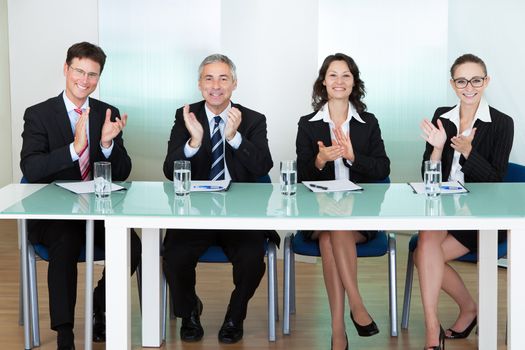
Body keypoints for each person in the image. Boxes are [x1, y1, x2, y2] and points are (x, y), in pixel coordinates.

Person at [20, 42, 142, 350]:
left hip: (97, 211)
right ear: (66, 69)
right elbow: (32, 169)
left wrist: (107, 145)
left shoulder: (106, 112)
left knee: (133, 244)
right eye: (79, 71)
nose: (84, 80)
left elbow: (123, 171)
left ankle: (99, 304)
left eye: (93, 74)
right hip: (54, 214)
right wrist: (75, 149)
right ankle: (65, 333)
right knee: (66, 242)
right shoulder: (38, 114)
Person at [162, 53, 278, 344]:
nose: (216, 85)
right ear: (200, 84)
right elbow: (168, 170)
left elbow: (263, 166)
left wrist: (234, 137)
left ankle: (234, 316)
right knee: (174, 256)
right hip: (194, 213)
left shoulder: (252, 119)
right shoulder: (185, 116)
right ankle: (189, 313)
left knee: (253, 259)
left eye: (223, 78)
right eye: (209, 78)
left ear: (234, 84)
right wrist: (194, 142)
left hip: (239, 215)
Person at [415, 53, 514, 350]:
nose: (469, 87)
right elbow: (427, 175)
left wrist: (469, 152)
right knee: (427, 239)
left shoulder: (501, 123)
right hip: (443, 209)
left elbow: (496, 181)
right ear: (452, 83)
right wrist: (437, 150)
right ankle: (435, 326)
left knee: (425, 253)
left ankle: (464, 312)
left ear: (486, 81)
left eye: (476, 80)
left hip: (481, 214)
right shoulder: (442, 116)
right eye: (461, 80)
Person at [295, 53, 390, 350]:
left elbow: (383, 169)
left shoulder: (368, 123)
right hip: (317, 213)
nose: (339, 81)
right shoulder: (308, 124)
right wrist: (321, 160)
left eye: (346, 75)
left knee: (331, 236)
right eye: (333, 75)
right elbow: (301, 177)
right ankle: (357, 307)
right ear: (323, 82)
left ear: (354, 83)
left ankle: (339, 331)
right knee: (330, 229)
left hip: (359, 214)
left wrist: (353, 157)